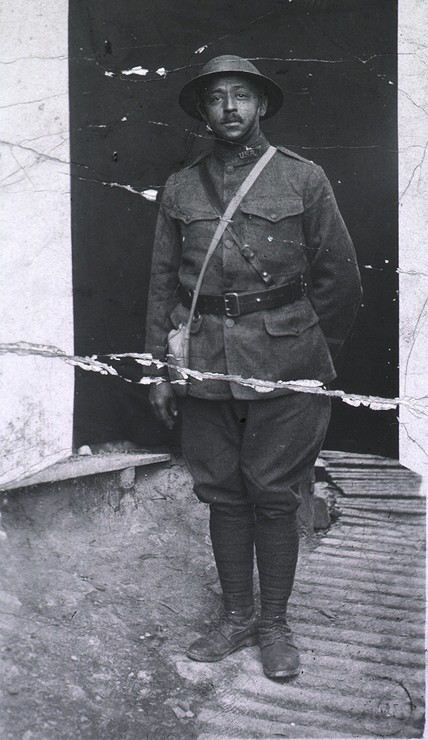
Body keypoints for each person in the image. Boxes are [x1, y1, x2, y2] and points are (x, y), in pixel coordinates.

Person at [145, 55, 361, 680]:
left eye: (243, 96)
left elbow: (339, 280)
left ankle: (274, 623)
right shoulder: (182, 187)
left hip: (287, 362)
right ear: (203, 111)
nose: (231, 108)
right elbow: (162, 287)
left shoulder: (303, 178)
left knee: (272, 494)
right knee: (221, 492)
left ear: (262, 105)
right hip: (205, 362)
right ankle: (238, 616)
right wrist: (165, 370)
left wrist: (312, 360)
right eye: (217, 99)